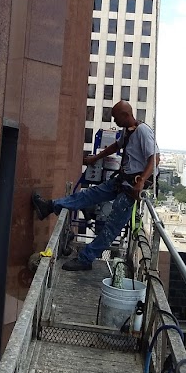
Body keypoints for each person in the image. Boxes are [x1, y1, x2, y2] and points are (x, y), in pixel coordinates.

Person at [32, 100, 159, 271]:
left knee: (112, 226)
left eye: (115, 117)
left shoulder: (143, 131)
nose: (114, 121)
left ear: (125, 115)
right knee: (89, 195)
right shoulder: (128, 131)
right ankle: (50, 206)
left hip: (132, 185)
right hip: (123, 180)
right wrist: (95, 158)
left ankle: (86, 259)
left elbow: (155, 158)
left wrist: (142, 180)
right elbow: (116, 146)